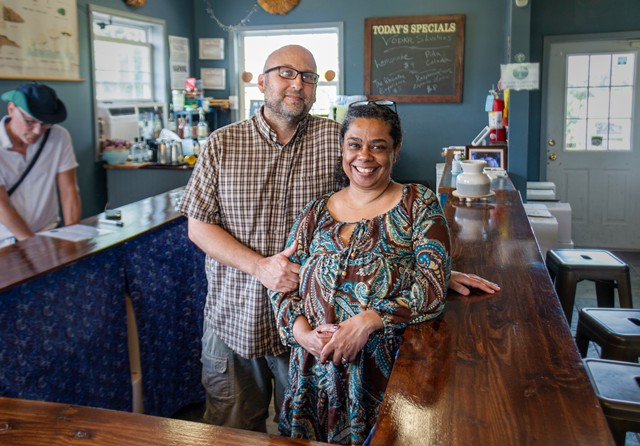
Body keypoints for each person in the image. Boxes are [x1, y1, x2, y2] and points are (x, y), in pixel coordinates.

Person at [179, 44, 498, 433]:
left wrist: (432, 266)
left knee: (302, 427)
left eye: (308, 77)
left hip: (316, 332)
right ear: (261, 81)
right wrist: (260, 267)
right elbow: (198, 226)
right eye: (286, 73)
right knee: (228, 431)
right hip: (237, 317)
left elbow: (373, 207)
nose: (298, 84)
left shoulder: (337, 138)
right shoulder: (221, 144)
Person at [269, 101, 450, 444]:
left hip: (385, 381)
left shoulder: (419, 205)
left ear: (395, 151)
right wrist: (303, 333)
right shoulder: (315, 212)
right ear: (342, 149)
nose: (364, 156)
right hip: (312, 377)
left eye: (377, 146)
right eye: (354, 145)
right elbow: (282, 285)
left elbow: (432, 289)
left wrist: (369, 320)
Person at [0, 82, 80, 247]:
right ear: (11, 109)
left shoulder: (59, 136)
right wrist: (32, 245)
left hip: (48, 233)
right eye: (30, 121)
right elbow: (1, 205)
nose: (37, 131)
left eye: (45, 124)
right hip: (5, 242)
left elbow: (69, 190)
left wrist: (73, 235)